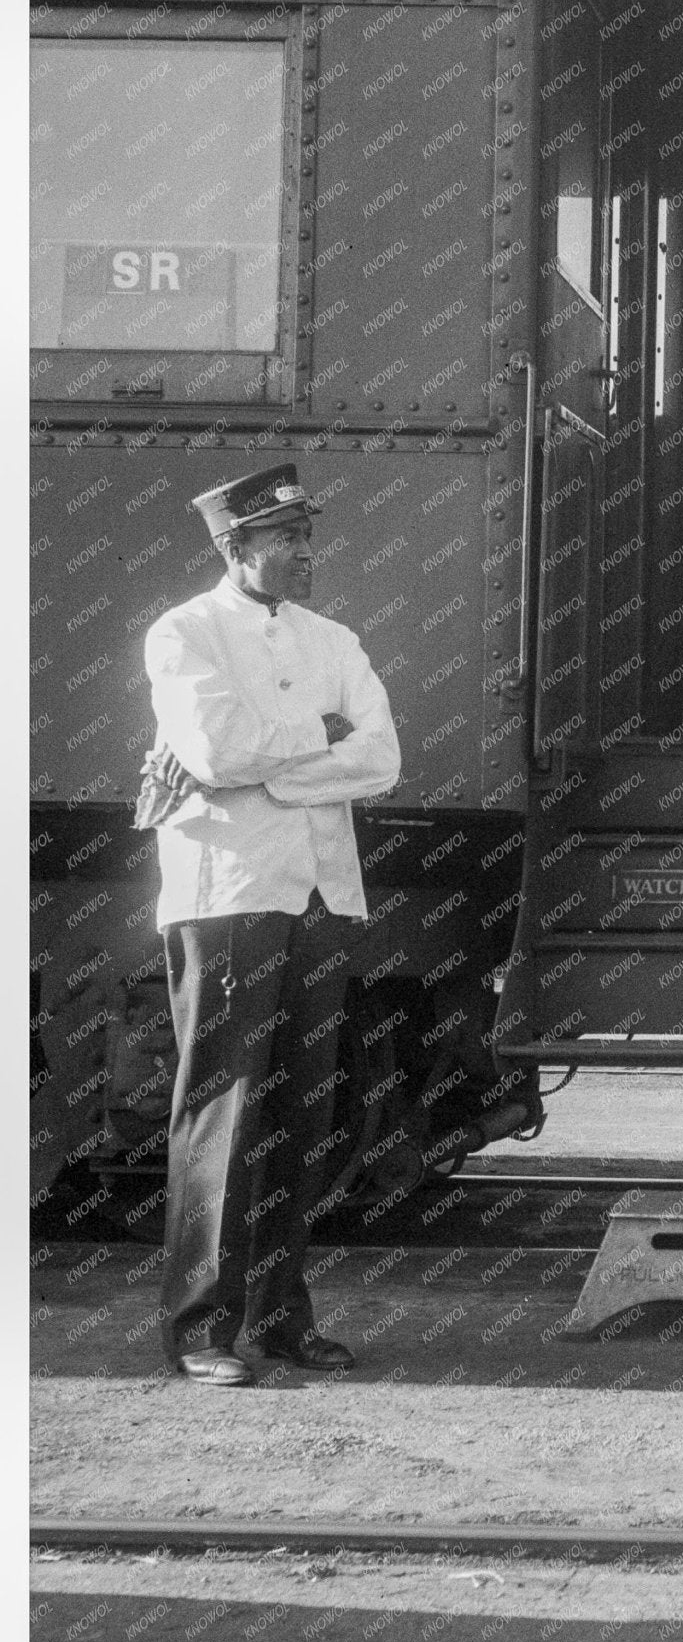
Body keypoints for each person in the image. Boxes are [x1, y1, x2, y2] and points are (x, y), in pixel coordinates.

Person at [142, 465, 401, 1386]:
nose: (302, 550)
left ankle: (281, 1317)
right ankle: (200, 1329)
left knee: (305, 1113)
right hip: (229, 891)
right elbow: (212, 753)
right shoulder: (184, 635)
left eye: (306, 533)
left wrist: (280, 762)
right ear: (234, 546)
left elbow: (380, 758)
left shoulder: (335, 638)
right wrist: (317, 742)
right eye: (283, 537)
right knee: (223, 1107)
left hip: (323, 896)